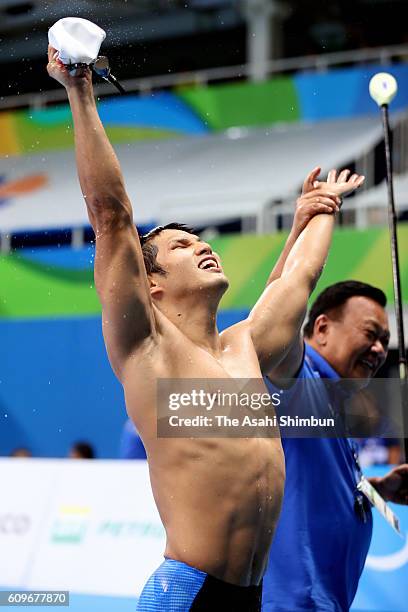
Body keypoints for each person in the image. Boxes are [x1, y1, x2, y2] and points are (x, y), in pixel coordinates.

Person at [46, 47, 362, 609]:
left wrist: (322, 209)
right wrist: (78, 90)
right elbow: (111, 214)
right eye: (182, 246)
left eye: (201, 239)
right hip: (186, 594)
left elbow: (297, 280)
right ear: (151, 286)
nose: (204, 246)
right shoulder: (146, 348)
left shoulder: (245, 348)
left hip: (251, 593)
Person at [262, 275, 408, 611]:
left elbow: (328, 487)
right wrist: (310, 223)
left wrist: (377, 491)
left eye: (384, 341)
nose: (379, 350)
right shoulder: (296, 382)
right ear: (322, 328)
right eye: (371, 335)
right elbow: (279, 309)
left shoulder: (335, 401)